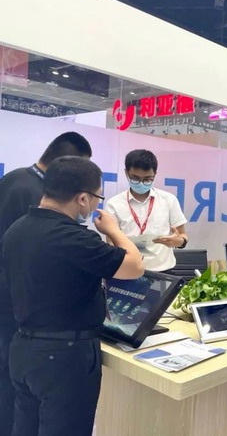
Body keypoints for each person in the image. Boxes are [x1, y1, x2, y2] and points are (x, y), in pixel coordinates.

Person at [1, 156, 144, 436]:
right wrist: (113, 230)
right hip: (64, 357)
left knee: (25, 427)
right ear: (82, 198)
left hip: (22, 349)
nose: (95, 205)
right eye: (97, 198)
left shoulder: (17, 230)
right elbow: (135, 266)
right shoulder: (74, 238)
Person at [0, 131, 92, 436]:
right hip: (22, 311)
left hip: (11, 303)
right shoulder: (39, 197)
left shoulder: (13, 179)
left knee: (12, 392)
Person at [104, 149, 189, 273]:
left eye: (147, 179)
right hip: (128, 271)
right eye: (135, 178)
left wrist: (180, 241)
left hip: (163, 271)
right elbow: (111, 243)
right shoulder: (114, 204)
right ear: (126, 173)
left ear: (155, 174)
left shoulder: (169, 200)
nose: (141, 183)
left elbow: (182, 235)